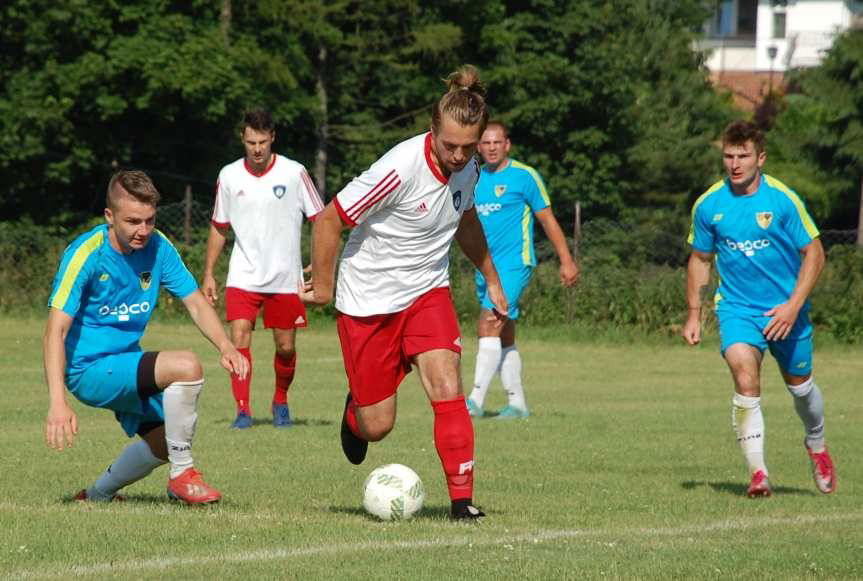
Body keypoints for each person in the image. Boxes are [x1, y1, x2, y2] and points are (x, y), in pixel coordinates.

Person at [303, 65, 508, 520]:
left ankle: (462, 503)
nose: (459, 155)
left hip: (426, 291)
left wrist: (491, 277)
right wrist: (323, 288)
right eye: (450, 145)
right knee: (377, 425)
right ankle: (355, 410)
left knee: (448, 383)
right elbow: (330, 219)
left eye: (468, 146)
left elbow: (466, 220)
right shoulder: (398, 168)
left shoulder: (470, 168)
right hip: (368, 301)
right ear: (432, 129)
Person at [44, 170, 249, 504]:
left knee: (168, 440)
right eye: (132, 221)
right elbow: (56, 330)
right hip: (87, 369)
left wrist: (226, 346)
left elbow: (196, 303)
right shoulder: (86, 254)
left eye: (149, 220)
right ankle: (183, 476)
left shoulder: (158, 247)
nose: (143, 230)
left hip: (126, 361)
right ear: (109, 216)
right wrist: (57, 402)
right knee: (186, 365)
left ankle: (96, 495)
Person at [683, 120, 836, 498]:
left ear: (760, 158)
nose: (735, 164)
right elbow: (700, 259)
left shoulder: (782, 200)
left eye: (743, 156)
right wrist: (694, 312)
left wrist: (792, 306)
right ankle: (758, 474)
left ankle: (816, 444)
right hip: (737, 309)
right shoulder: (709, 204)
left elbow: (815, 253)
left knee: (801, 390)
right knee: (745, 377)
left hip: (787, 311)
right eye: (729, 156)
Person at [203, 110, 324, 429]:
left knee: (285, 347)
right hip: (243, 275)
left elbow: (321, 220)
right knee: (239, 337)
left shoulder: (294, 173)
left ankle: (280, 401)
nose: (257, 149)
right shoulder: (229, 176)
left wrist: (320, 262)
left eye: (262, 142)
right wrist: (209, 273)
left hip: (285, 278)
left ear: (272, 138)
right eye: (250, 142)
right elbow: (219, 226)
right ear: (242, 140)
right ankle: (242, 411)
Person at [466, 121, 579, 419]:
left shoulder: (524, 176)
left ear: (507, 145)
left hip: (515, 263)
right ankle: (517, 405)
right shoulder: (472, 178)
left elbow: (547, 219)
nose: (491, 147)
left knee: (490, 321)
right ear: (478, 147)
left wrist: (566, 260)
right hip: (484, 266)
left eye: (497, 142)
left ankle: (474, 401)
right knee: (504, 334)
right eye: (486, 143)